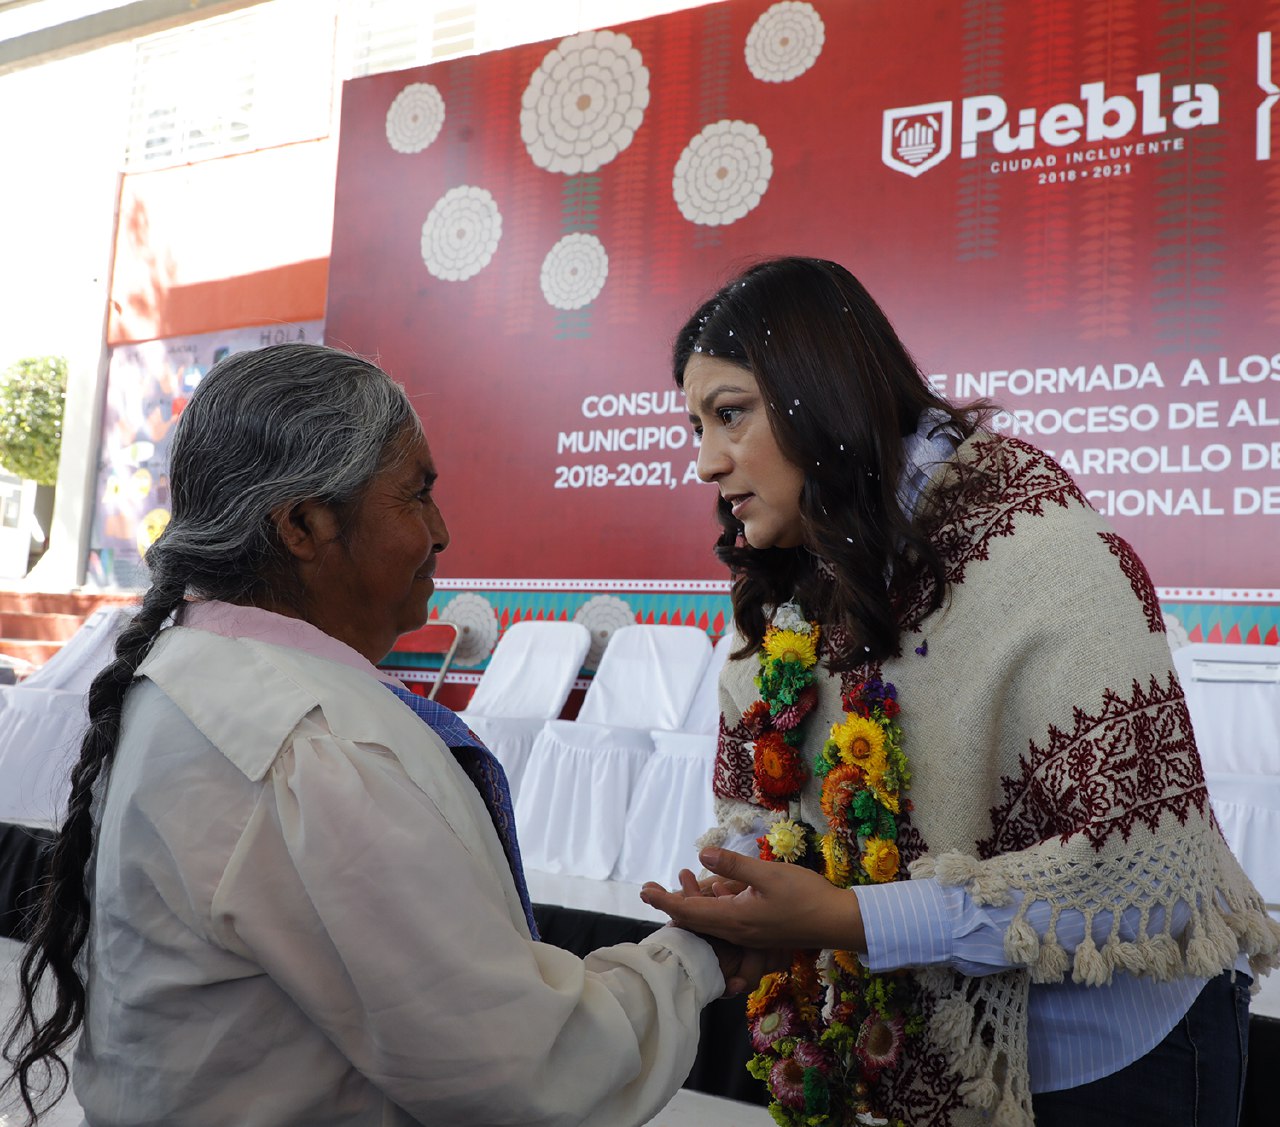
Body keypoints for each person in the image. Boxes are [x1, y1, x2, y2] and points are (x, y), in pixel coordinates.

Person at [1, 342, 745, 1127]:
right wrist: (691, 958)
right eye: (416, 494)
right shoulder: (309, 749)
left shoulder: (193, 676)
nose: (441, 530)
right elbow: (525, 1067)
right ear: (303, 524)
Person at [640, 257, 1280, 1127]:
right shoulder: (800, 580)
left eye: (730, 414)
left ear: (818, 394)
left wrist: (853, 917)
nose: (705, 462)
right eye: (695, 425)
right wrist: (758, 892)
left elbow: (1142, 875)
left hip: (1115, 1057)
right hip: (933, 1051)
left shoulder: (1040, 552)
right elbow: (776, 797)